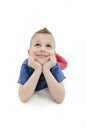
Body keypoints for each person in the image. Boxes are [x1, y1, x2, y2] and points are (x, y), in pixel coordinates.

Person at [18, 28, 67, 103]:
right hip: (44, 58)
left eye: (48, 45)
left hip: (53, 61)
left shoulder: (54, 65)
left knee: (64, 64)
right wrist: (37, 69)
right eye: (37, 44)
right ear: (29, 52)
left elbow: (60, 99)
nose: (43, 49)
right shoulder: (26, 64)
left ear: (54, 54)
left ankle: (59, 58)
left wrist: (46, 69)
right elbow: (23, 97)